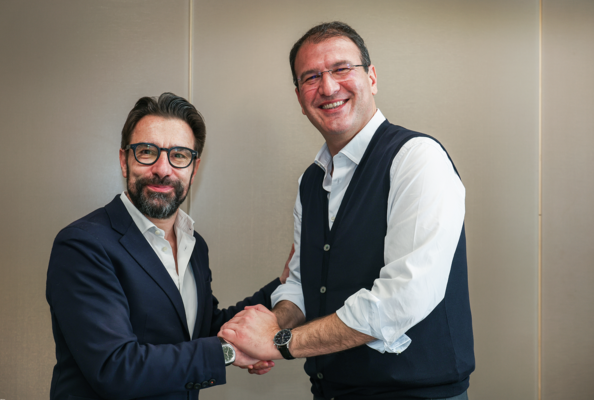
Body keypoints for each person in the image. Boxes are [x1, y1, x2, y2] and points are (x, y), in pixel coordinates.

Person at [219, 22, 475, 400]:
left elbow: (403, 296)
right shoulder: (311, 182)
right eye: (311, 77)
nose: (327, 87)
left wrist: (279, 342)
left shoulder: (417, 159)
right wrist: (270, 325)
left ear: (371, 78)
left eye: (341, 69)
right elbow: (301, 282)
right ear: (299, 98)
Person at [46, 93, 282, 400]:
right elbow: (115, 368)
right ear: (124, 161)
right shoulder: (83, 245)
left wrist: (285, 284)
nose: (163, 168)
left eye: (179, 155)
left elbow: (202, 330)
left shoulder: (194, 245)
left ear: (194, 169)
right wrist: (228, 352)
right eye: (147, 152)